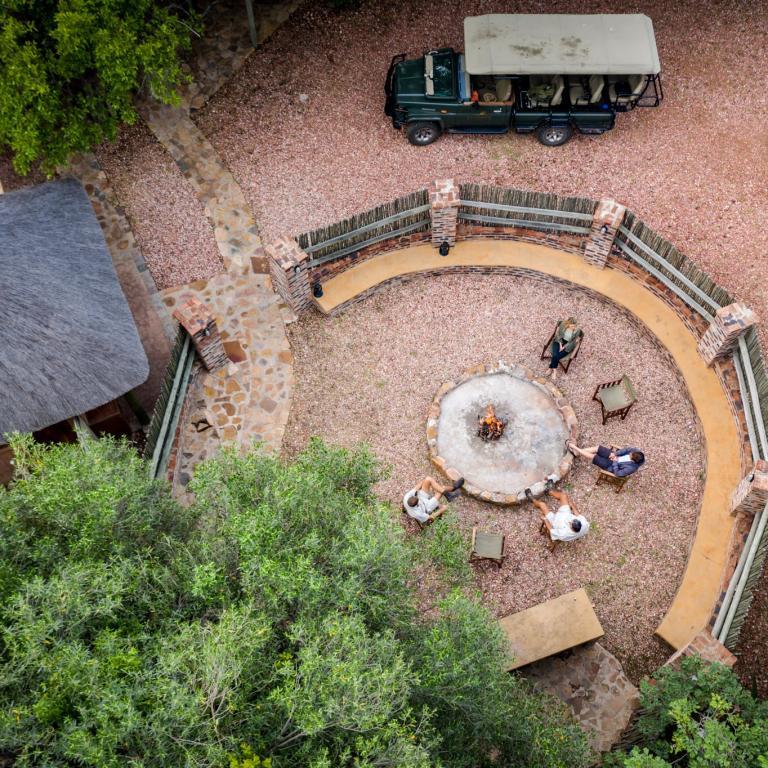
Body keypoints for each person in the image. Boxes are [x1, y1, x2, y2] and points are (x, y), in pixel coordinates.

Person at [568, 441, 645, 478]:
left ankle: (575, 448)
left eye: (630, 455)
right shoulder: (636, 451)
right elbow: (626, 450)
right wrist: (615, 454)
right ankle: (577, 452)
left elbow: (618, 473)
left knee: (594, 456)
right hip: (615, 455)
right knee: (598, 448)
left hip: (611, 465)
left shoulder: (631, 468)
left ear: (632, 460)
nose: (630, 453)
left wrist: (615, 462)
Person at [546, 317, 583, 382]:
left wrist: (564, 347)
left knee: (556, 356)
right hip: (558, 341)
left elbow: (572, 341)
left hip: (568, 345)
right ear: (568, 324)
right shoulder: (563, 325)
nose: (573, 327)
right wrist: (560, 345)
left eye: (574, 326)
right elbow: (559, 335)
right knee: (555, 355)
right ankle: (555, 370)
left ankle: (550, 368)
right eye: (572, 326)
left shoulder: (577, 330)